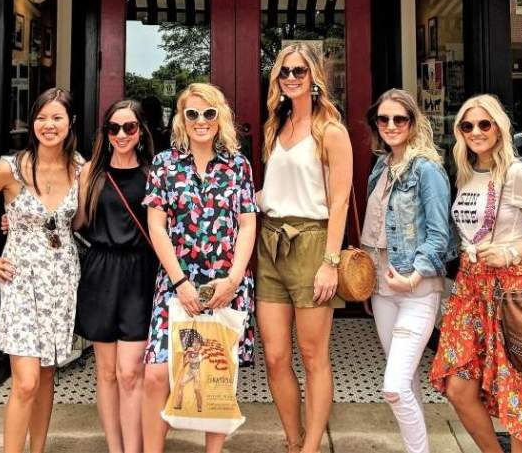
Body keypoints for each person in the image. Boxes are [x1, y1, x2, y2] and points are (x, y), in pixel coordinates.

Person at [0, 88, 83, 453]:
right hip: (19, 280)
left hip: (62, 279)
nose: (49, 125)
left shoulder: (81, 168)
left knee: (47, 374)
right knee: (26, 381)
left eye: (57, 117)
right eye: (42, 117)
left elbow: (82, 222)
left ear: (70, 123)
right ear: (32, 123)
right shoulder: (9, 168)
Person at [430, 94, 522, 452]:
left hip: (512, 290)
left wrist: (510, 252)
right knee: (458, 386)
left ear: (500, 128)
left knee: (519, 391)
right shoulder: (467, 172)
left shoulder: (516, 174)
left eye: (485, 124)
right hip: (471, 289)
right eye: (467, 126)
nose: (476, 132)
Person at [141, 82, 258, 453]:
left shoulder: (238, 165)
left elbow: (247, 223)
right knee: (157, 372)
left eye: (208, 113)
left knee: (215, 374)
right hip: (179, 282)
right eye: (192, 113)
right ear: (182, 118)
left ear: (219, 116)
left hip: (225, 282)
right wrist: (179, 282)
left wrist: (234, 279)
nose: (200, 121)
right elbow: (156, 225)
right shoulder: (165, 164)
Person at [256, 42, 353, 453]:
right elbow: (270, 192)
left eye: (299, 71)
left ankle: (311, 447)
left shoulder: (330, 131)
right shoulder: (273, 128)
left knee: (313, 356)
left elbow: (340, 200)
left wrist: (330, 262)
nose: (291, 78)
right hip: (270, 244)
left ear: (314, 77)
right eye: (284, 72)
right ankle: (293, 440)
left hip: (313, 243)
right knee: (276, 356)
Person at [363, 89, 452, 453]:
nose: (390, 126)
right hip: (382, 290)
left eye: (399, 119)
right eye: (383, 119)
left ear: (414, 123)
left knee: (394, 387)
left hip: (416, 290)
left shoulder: (427, 169)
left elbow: (439, 234)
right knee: (407, 382)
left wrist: (414, 275)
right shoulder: (381, 166)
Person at [74, 99, 158, 453]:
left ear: (140, 132)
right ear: (105, 133)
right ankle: (115, 447)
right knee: (106, 373)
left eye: (129, 128)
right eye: (114, 128)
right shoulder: (89, 172)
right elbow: (75, 221)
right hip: (100, 272)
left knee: (130, 372)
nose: (121, 134)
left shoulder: (154, 173)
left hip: (140, 273)